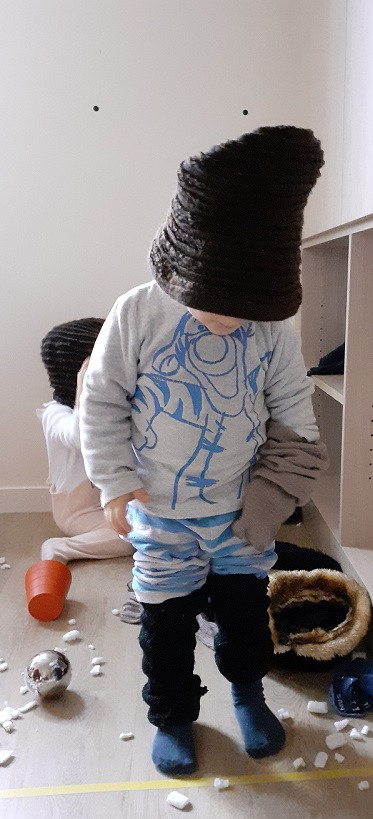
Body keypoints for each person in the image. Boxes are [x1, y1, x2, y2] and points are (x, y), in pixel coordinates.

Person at [80, 125, 328, 775]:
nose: (232, 320)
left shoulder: (272, 329)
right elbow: (101, 400)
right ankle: (173, 716)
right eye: (217, 305)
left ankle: (248, 694)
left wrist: (271, 501)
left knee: (245, 621)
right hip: (161, 515)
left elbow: (296, 419)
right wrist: (114, 481)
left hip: (239, 513)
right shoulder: (137, 313)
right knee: (165, 629)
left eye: (247, 309)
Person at [35, 318, 140, 622]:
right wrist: (87, 390)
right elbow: (82, 439)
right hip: (79, 510)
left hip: (112, 498)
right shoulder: (55, 414)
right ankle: (60, 548)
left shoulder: (114, 410)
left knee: (158, 525)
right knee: (133, 537)